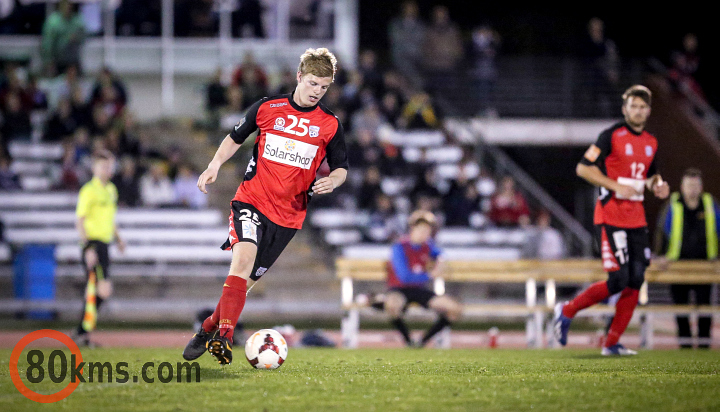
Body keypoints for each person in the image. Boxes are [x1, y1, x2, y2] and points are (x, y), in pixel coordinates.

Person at [182, 48, 348, 365]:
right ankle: (225, 340)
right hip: (251, 201)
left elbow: (341, 166)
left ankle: (206, 330)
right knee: (241, 262)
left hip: (289, 216)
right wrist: (215, 164)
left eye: (324, 87)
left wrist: (334, 181)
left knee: (244, 283)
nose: (317, 91)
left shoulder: (329, 125)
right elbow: (235, 136)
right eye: (313, 83)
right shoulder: (268, 108)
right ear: (299, 77)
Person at [553, 85, 670, 355]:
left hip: (636, 219)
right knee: (618, 279)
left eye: (643, 107)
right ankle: (567, 310)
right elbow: (583, 167)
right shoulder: (611, 136)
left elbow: (651, 175)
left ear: (648, 111)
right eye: (633, 106)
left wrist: (658, 185)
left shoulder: (651, 142)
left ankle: (612, 343)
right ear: (624, 108)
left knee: (637, 279)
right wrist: (614, 185)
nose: (638, 111)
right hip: (610, 217)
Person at [371, 211, 462, 347]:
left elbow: (441, 254)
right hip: (399, 289)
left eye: (427, 230)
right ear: (412, 229)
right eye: (422, 229)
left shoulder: (427, 246)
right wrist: (430, 275)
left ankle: (422, 341)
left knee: (455, 309)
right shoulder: (399, 247)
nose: (425, 233)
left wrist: (441, 261)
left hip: (419, 290)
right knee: (392, 305)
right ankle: (408, 340)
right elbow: (404, 277)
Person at [655, 168, 719, 349]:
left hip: (704, 266)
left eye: (696, 185)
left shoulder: (709, 204)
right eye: (689, 185)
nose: (692, 189)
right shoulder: (673, 204)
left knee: (704, 308)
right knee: (680, 308)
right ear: (682, 187)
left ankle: (704, 345)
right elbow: (661, 232)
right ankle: (685, 345)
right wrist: (660, 256)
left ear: (701, 187)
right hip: (677, 266)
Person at [73, 150, 126, 346]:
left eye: (110, 166)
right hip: (93, 244)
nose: (108, 170)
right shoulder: (89, 190)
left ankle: (82, 333)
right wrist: (87, 247)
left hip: (104, 245)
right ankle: (81, 332)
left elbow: (110, 219)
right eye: (104, 166)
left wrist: (118, 238)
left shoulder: (111, 189)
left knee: (98, 290)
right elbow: (80, 220)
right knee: (101, 289)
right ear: (95, 167)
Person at [41, 0, 85, 76]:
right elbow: (47, 43)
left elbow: (84, 35)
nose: (68, 7)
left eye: (70, 5)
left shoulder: (77, 20)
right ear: (61, 6)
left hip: (73, 60)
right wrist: (48, 61)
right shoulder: (53, 21)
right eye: (66, 5)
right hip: (58, 61)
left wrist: (76, 37)